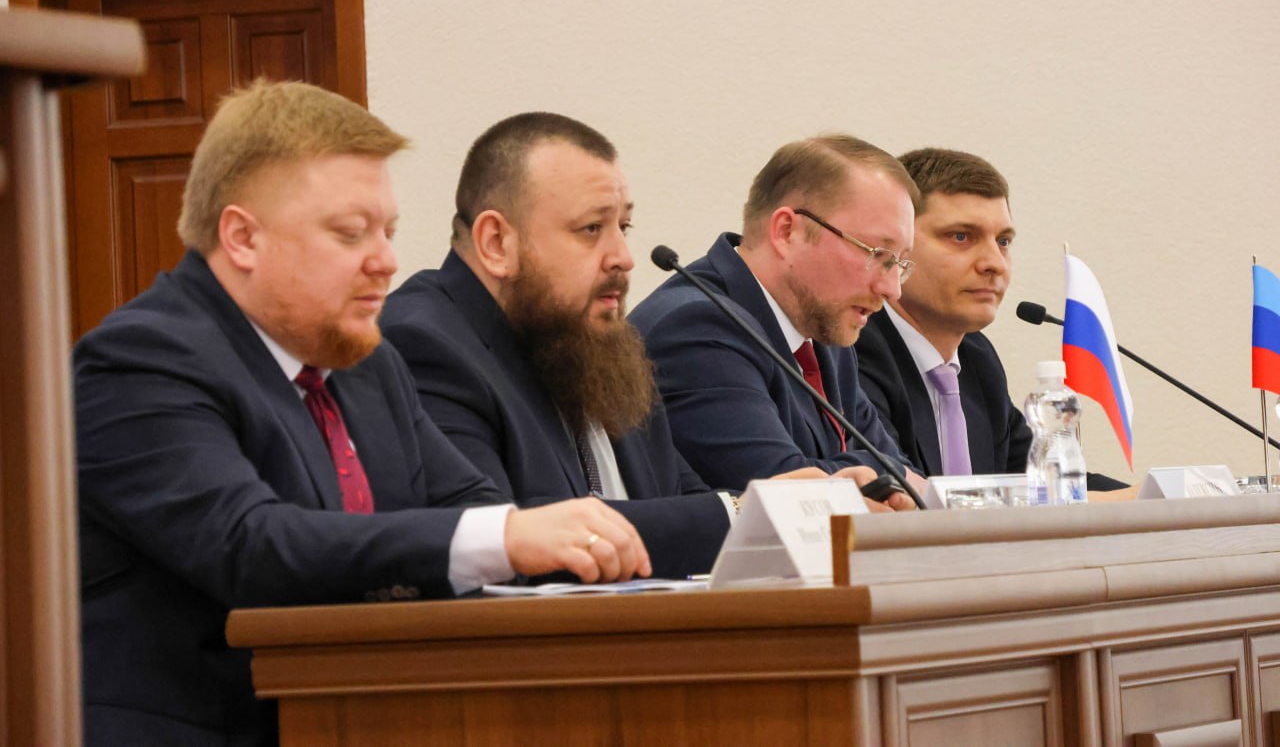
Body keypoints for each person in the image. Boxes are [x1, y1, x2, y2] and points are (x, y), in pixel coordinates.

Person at [74, 82, 649, 747]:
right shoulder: (140, 360)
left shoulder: (366, 364)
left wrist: (524, 536)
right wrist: (506, 536)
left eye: (389, 232)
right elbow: (252, 545)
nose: (386, 262)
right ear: (242, 237)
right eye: (351, 234)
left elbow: (468, 505)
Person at [381, 114, 908, 582]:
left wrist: (782, 507)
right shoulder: (427, 344)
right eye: (591, 229)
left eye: (623, 227)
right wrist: (748, 510)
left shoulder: (598, 345)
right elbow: (506, 537)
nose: (623, 257)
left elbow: (680, 499)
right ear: (497, 243)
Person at [630, 134, 926, 492]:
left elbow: (905, 478)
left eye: (898, 264)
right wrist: (886, 474)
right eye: (877, 254)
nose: (892, 289)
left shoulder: (823, 327)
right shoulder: (697, 330)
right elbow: (787, 492)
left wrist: (886, 474)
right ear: (787, 232)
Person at [852, 146, 1126, 489]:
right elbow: (900, 493)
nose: (994, 263)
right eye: (961, 237)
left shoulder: (977, 358)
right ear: (898, 244)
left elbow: (1046, 484)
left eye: (1004, 241)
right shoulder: (854, 351)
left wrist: (1157, 496)